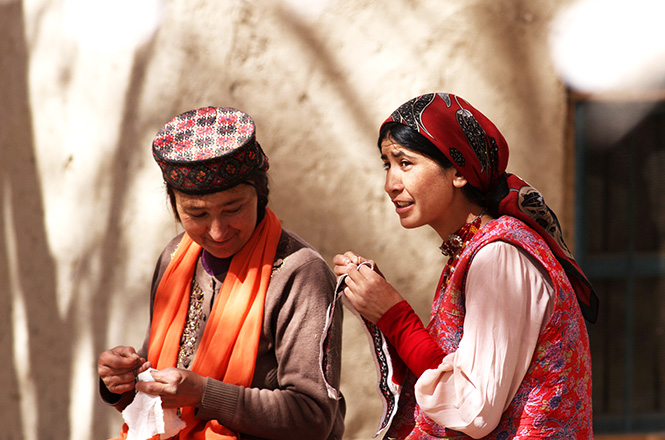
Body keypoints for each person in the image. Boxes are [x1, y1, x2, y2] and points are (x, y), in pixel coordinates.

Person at [333, 92, 597, 439]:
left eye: (405, 163)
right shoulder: (473, 251)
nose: (391, 185)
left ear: (458, 172)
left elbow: (473, 409)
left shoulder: (499, 257)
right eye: (388, 165)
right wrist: (377, 303)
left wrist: (395, 317)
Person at [98, 106, 345, 440]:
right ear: (175, 205)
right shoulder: (175, 258)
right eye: (197, 214)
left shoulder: (299, 274)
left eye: (233, 209)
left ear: (260, 194)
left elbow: (313, 418)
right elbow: (158, 392)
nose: (217, 232)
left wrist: (205, 394)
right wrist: (121, 382)